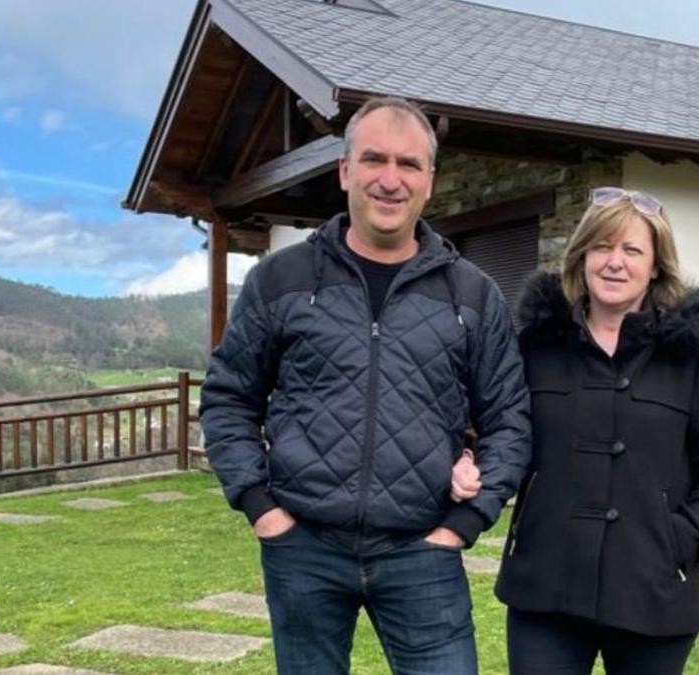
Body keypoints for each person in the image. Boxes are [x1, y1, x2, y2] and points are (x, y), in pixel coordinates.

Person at [199, 96, 531, 675]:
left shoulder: (472, 294)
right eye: (374, 159)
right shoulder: (282, 279)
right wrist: (261, 509)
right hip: (303, 548)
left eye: (408, 164)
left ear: (429, 181)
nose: (390, 179)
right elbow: (228, 397)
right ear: (346, 171)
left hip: (423, 553)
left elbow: (510, 418)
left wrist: (463, 524)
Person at [492, 187, 699, 674]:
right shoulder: (537, 346)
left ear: (655, 265)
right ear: (582, 256)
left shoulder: (694, 357)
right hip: (546, 585)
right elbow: (500, 435)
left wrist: (679, 540)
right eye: (601, 247)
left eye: (631, 250)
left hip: (654, 590)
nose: (615, 262)